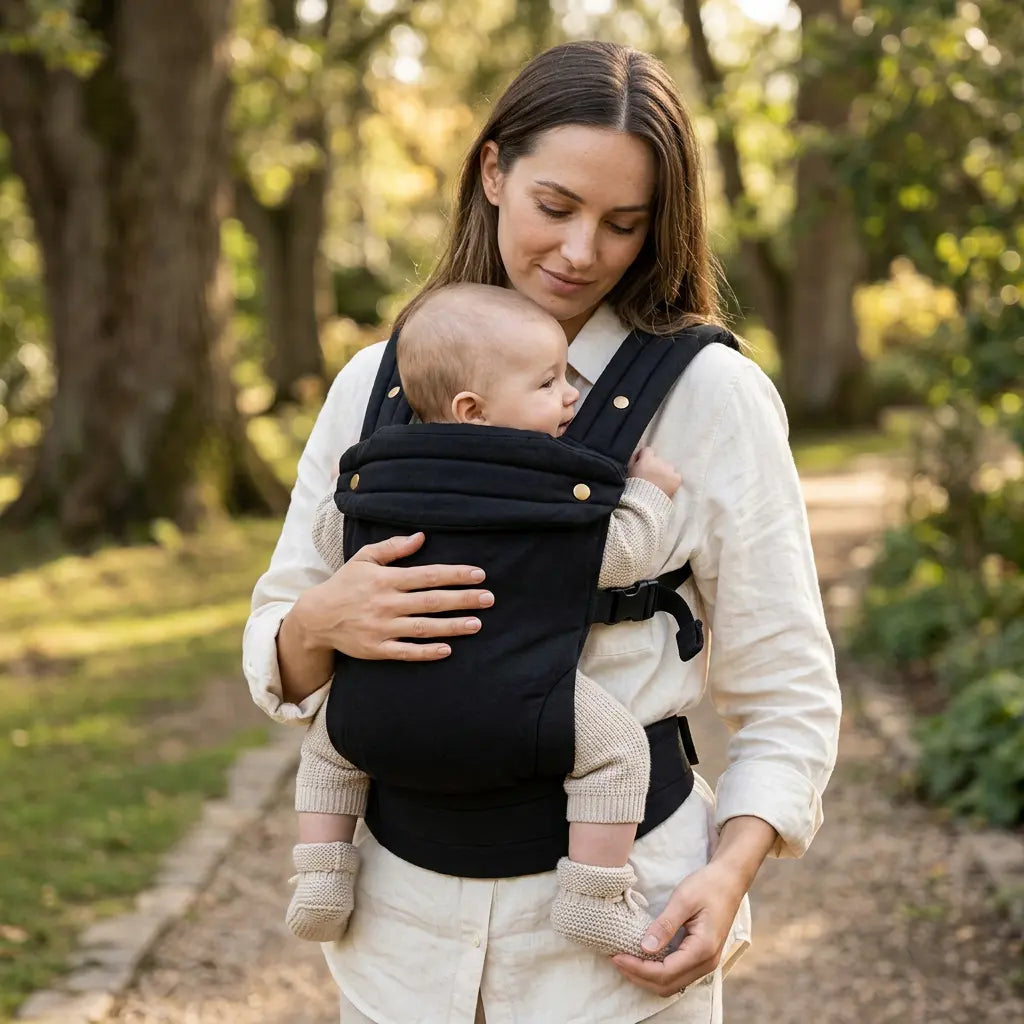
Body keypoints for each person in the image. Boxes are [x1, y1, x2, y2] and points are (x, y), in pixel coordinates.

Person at [243, 40, 841, 1024]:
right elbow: (278, 643)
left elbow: (786, 686)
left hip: (618, 941)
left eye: (622, 224)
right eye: (555, 207)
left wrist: (728, 874)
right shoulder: (374, 385)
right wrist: (318, 622)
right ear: (492, 172)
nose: (579, 252)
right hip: (398, 942)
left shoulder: (708, 397)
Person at [286, 282, 684, 960]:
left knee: (328, 753)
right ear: (473, 409)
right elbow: (617, 557)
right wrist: (651, 493)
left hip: (383, 698)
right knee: (619, 751)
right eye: (549, 382)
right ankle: (591, 897)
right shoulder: (544, 487)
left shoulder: (381, 471)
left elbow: (336, 545)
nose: (570, 397)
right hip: (519, 699)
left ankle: (322, 876)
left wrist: (339, 496)